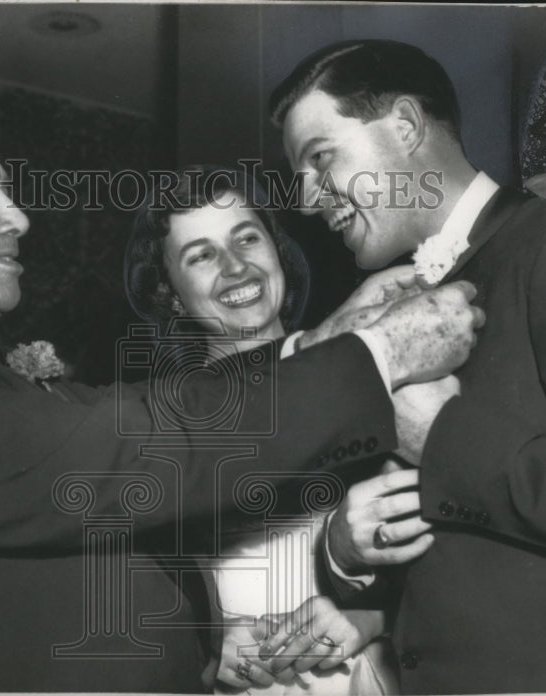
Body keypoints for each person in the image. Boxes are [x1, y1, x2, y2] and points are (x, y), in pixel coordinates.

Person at [0, 93, 484, 693]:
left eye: (248, 237)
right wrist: (378, 351)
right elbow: (148, 443)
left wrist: (327, 337)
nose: (19, 216)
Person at [264, 40, 546, 694]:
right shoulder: (402, 303)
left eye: (320, 159)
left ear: (404, 126)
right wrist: (362, 589)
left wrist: (442, 438)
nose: (310, 199)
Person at [126, 166, 403, 695]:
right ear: (173, 297)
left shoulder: (365, 381)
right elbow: (129, 585)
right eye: (201, 255)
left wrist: (371, 615)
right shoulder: (159, 424)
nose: (235, 267)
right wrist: (204, 637)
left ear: (278, 254)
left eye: (247, 238)